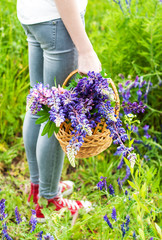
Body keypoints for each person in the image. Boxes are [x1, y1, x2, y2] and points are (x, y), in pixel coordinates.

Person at [17, 0, 101, 221]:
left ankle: (37, 189)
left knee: (39, 104)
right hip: (59, 20)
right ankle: (49, 201)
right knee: (58, 114)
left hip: (34, 15)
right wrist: (86, 49)